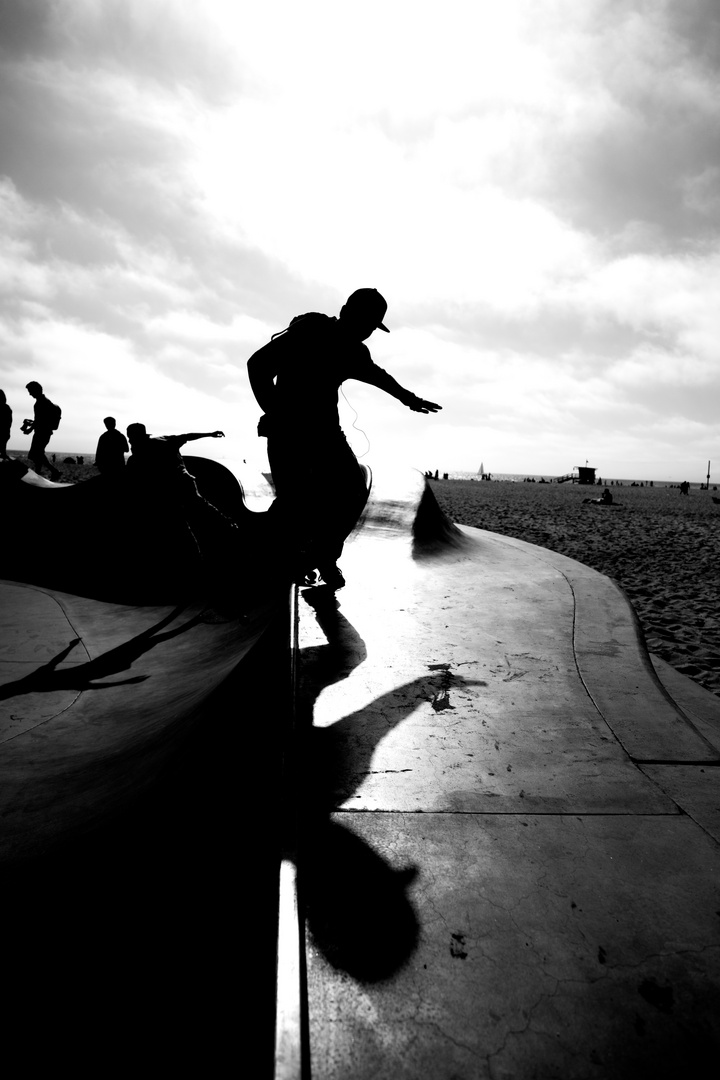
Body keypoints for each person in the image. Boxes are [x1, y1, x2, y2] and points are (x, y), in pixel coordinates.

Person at [247, 287, 441, 588]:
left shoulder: (354, 352)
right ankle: (268, 561)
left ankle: (324, 555)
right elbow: (257, 365)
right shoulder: (309, 332)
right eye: (364, 322)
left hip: (327, 434)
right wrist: (276, 410)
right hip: (288, 432)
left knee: (352, 488)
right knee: (293, 502)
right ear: (346, 311)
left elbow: (379, 376)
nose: (366, 332)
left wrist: (409, 398)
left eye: (372, 327)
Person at [23, 382, 61, 480]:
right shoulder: (44, 402)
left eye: (30, 391)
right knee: (38, 454)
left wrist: (30, 429)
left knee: (36, 454)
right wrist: (32, 425)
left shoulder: (41, 403)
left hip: (41, 432)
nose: (30, 394)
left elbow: (40, 420)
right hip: (44, 432)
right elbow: (40, 420)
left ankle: (53, 471)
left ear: (37, 390)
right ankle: (39, 473)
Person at [0, 390, 11, 459]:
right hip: (5, 431)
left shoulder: (5, 408)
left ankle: (3, 453)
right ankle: (3, 453)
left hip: (4, 431)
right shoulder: (7, 408)